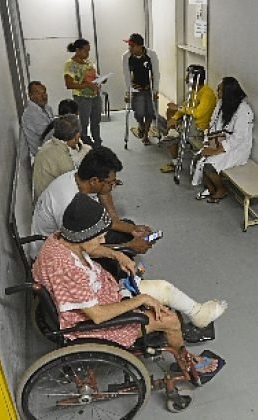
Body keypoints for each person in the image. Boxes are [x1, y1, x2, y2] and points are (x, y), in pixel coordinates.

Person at [32, 193, 226, 376]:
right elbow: (98, 316)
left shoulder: (60, 239)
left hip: (102, 293)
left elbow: (89, 249)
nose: (104, 240)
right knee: (170, 319)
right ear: (82, 237)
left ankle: (187, 320)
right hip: (90, 324)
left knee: (160, 292)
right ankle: (188, 365)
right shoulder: (66, 269)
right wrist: (140, 300)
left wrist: (117, 254)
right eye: (99, 237)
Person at [32, 151, 227, 328]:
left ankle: (135, 281)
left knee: (126, 233)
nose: (112, 187)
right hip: (75, 259)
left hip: (75, 252)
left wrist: (132, 232)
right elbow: (88, 247)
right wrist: (126, 249)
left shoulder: (78, 183)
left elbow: (108, 222)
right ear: (94, 180)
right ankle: (186, 314)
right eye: (110, 183)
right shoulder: (67, 204)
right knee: (164, 309)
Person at [194, 77, 254, 203]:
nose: (217, 92)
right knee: (199, 157)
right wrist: (208, 144)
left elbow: (237, 139)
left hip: (236, 149)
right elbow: (213, 124)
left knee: (209, 166)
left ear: (228, 93)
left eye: (220, 90)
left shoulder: (244, 111)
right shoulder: (222, 104)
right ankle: (211, 188)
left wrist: (216, 151)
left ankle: (221, 189)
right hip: (219, 142)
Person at [160, 65, 216, 174]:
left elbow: (197, 114)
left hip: (199, 127)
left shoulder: (207, 94)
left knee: (171, 133)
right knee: (170, 114)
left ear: (195, 81)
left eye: (188, 77)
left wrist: (178, 108)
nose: (186, 79)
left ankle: (171, 137)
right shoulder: (194, 91)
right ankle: (172, 138)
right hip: (190, 120)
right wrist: (175, 118)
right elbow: (186, 105)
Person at [32, 114, 82, 203]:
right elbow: (74, 188)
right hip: (52, 204)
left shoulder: (50, 144)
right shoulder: (61, 158)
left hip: (43, 199)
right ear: (76, 136)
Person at [121, 33, 160, 146]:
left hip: (148, 88)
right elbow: (126, 75)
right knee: (139, 113)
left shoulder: (151, 55)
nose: (130, 48)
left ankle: (146, 135)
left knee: (149, 112)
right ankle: (140, 125)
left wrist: (156, 90)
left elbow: (156, 73)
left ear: (140, 46)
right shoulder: (127, 56)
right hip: (136, 89)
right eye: (129, 46)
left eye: (132, 46)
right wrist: (128, 92)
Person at [64, 39, 103, 148]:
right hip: (82, 98)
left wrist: (101, 79)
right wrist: (87, 85)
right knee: (83, 123)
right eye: (85, 51)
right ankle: (83, 145)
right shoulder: (70, 65)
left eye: (89, 51)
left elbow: (95, 76)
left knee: (96, 121)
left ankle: (97, 143)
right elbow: (69, 84)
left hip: (95, 95)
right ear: (77, 50)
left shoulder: (88, 63)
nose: (87, 53)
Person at [21, 81, 54, 158]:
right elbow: (48, 135)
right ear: (30, 95)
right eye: (38, 93)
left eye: (44, 92)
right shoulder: (31, 114)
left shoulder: (47, 108)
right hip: (43, 153)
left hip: (51, 147)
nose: (43, 96)